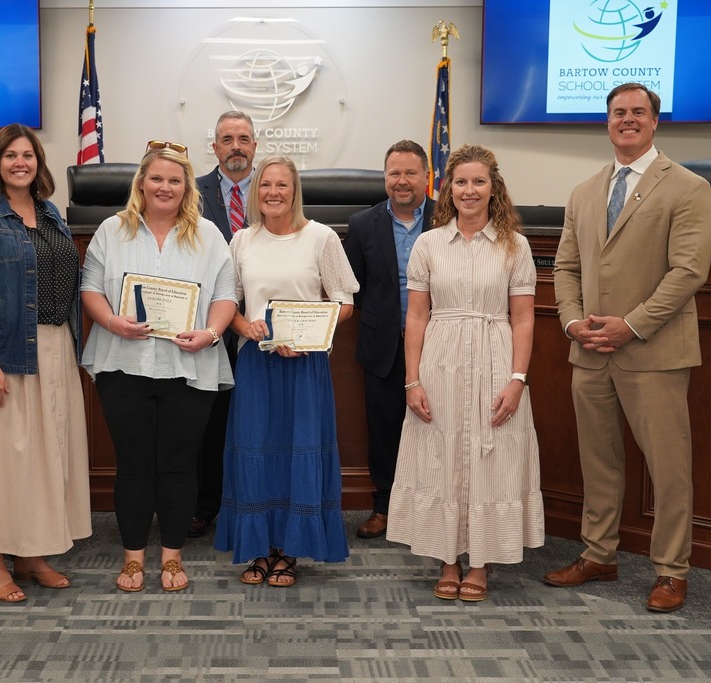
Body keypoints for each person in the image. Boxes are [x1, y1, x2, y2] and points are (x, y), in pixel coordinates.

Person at [545, 83, 711, 613]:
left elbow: (688, 271)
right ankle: (599, 554)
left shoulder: (687, 187)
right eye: (618, 112)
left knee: (668, 468)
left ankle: (671, 570)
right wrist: (573, 324)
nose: (627, 120)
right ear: (607, 121)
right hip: (590, 351)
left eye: (637, 112)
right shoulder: (585, 190)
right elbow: (566, 267)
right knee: (599, 462)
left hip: (654, 351)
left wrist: (632, 325)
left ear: (654, 121)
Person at [386, 144, 544, 602]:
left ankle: (481, 561)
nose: (469, 190)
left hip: (497, 359)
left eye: (478, 182)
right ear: (447, 189)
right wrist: (412, 380)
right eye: (460, 182)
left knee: (489, 457)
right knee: (444, 454)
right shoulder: (429, 244)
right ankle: (448, 558)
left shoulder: (516, 245)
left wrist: (518, 379)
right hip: (441, 361)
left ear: (493, 188)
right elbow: (416, 317)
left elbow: (524, 318)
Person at [81, 141, 237, 593]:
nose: (164, 187)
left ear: (186, 186)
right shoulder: (112, 231)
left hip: (190, 366)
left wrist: (209, 333)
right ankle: (132, 559)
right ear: (141, 183)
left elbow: (227, 295)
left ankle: (171, 557)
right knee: (132, 465)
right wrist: (112, 321)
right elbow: (91, 288)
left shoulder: (209, 235)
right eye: (156, 179)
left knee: (177, 465)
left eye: (174, 179)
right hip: (123, 363)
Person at [0, 124, 92, 604]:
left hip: (55, 350)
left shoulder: (50, 213)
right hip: (2, 354)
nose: (19, 163)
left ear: (38, 163)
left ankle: (30, 554)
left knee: (43, 458)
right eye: (10, 155)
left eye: (27, 155)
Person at [214, 155, 360, 587]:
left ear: (295, 191)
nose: (273, 193)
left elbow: (345, 302)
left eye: (282, 185)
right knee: (256, 451)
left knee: (299, 450)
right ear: (254, 192)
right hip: (257, 363)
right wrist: (245, 325)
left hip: (304, 363)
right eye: (265, 185)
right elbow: (229, 304)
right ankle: (258, 548)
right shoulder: (241, 240)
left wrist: (310, 331)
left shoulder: (322, 238)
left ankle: (289, 551)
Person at [343, 140, 435, 539]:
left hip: (439, 344)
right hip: (383, 345)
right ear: (384, 178)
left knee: (437, 429)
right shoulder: (363, 224)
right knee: (383, 429)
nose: (402, 181)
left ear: (427, 177)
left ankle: (433, 510)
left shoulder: (447, 217)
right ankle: (384, 508)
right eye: (394, 173)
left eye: (410, 173)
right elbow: (351, 287)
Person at [189, 110, 258, 539]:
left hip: (259, 324)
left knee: (253, 417)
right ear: (214, 147)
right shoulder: (190, 193)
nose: (236, 146)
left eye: (244, 139)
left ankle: (250, 500)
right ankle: (204, 505)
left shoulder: (274, 191)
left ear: (255, 145)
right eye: (227, 139)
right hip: (208, 321)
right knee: (209, 420)